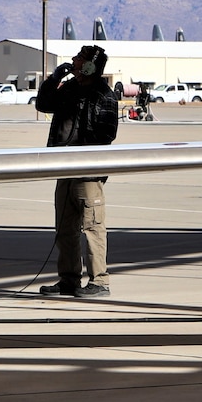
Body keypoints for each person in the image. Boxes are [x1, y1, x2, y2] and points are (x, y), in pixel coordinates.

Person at [34, 44, 118, 298]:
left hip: (88, 172)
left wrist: (81, 151)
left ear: (90, 65)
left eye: (80, 58)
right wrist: (55, 78)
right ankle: (68, 279)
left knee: (92, 226)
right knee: (65, 227)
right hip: (65, 168)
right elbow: (44, 104)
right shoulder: (69, 88)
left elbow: (106, 134)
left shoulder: (103, 95)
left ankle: (99, 281)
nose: (74, 60)